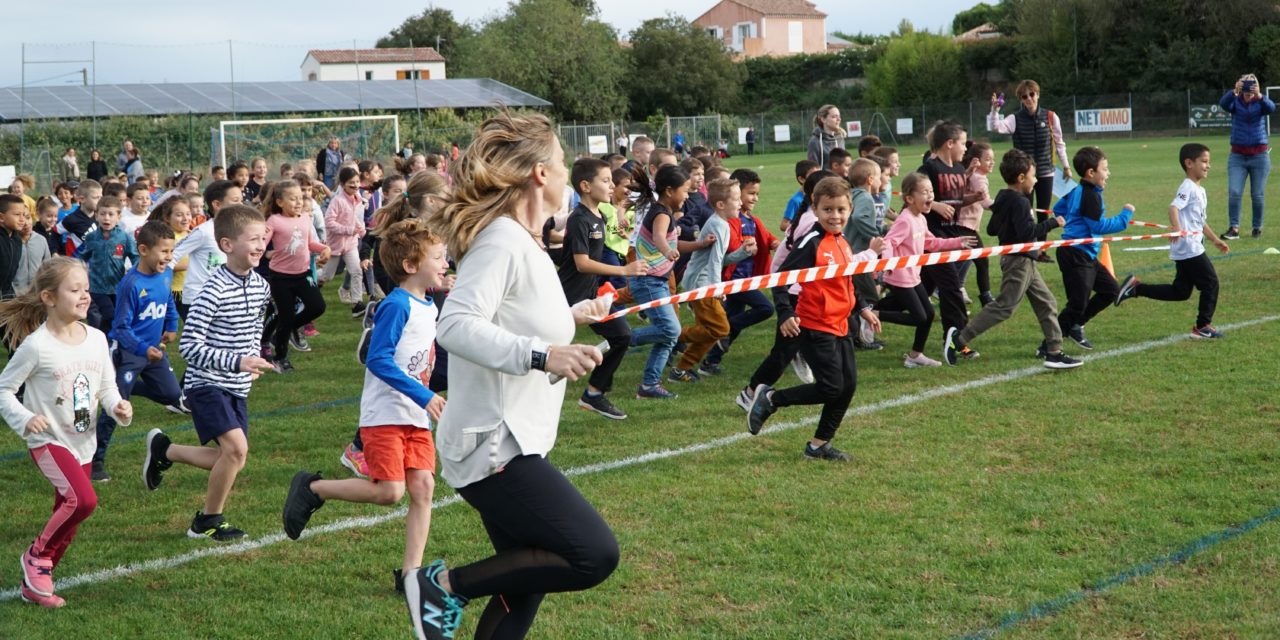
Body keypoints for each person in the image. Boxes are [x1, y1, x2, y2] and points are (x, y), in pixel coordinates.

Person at [406, 110, 619, 640]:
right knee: (593, 554)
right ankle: (440, 584)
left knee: (522, 590)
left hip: (512, 440)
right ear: (540, 174)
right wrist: (545, 355)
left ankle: (443, 587)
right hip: (495, 446)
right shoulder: (501, 238)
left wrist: (570, 318)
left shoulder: (523, 239)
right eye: (564, 163)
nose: (569, 174)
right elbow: (455, 325)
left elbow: (508, 317)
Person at [283, 218, 448, 597]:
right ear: (410, 266)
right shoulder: (396, 304)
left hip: (416, 419)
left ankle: (411, 576)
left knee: (423, 487)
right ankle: (314, 488)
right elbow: (379, 360)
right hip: (385, 416)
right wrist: (425, 395)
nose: (445, 263)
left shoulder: (428, 303)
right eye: (438, 258)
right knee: (390, 492)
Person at [0, 257, 133, 608]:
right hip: (48, 442)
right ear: (49, 297)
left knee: (71, 515)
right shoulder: (36, 346)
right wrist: (25, 418)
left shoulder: (97, 338)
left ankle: (36, 584)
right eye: (75, 290)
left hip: (83, 442)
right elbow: (3, 390)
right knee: (84, 500)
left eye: (86, 289)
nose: (85, 296)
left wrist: (118, 405)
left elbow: (107, 387)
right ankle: (36, 556)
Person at [143, 204, 273, 542]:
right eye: (253, 239)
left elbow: (253, 329)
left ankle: (164, 451)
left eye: (264, 238)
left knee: (232, 456)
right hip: (205, 383)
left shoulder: (261, 286)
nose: (261, 245)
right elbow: (189, 346)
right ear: (227, 245)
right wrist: (237, 361)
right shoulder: (211, 290)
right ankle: (207, 520)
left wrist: (253, 359)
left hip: (237, 384)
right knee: (235, 451)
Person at [746, 177, 883, 462]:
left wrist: (862, 308)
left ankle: (819, 445)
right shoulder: (813, 241)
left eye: (841, 210)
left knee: (848, 386)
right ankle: (771, 399)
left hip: (841, 323)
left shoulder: (842, 241)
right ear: (816, 210)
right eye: (828, 210)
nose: (835, 216)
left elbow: (846, 281)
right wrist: (785, 312)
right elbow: (781, 279)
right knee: (831, 386)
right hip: (814, 325)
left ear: (850, 209)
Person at [942, 149, 1082, 369]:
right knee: (1005, 307)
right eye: (1033, 176)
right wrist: (1053, 222)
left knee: (1047, 303)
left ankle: (1054, 351)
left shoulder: (1003, 196)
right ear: (1021, 178)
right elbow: (1027, 233)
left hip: (1023, 260)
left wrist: (1007, 224)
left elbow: (991, 228)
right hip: (1018, 261)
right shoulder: (1020, 202)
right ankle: (959, 339)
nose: (1036, 180)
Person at [89, 221, 184, 482]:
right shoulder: (131, 284)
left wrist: (172, 325)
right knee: (117, 407)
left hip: (153, 352)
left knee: (172, 394)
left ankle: (128, 387)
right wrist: (143, 349)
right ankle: (96, 460)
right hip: (129, 352)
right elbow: (120, 328)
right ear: (143, 249)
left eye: (171, 250)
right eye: (163, 251)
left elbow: (168, 301)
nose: (168, 256)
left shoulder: (166, 274)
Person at [555, 158, 646, 418]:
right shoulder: (579, 219)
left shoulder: (599, 214)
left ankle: (594, 394)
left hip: (591, 294)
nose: (613, 186)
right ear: (585, 186)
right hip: (569, 298)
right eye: (606, 181)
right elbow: (582, 263)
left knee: (622, 335)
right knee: (544, 352)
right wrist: (624, 271)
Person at [1116, 143, 1230, 338]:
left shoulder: (1199, 190)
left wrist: (1215, 240)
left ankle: (1136, 288)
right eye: (1204, 161)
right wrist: (1177, 230)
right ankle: (1203, 326)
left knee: (1180, 292)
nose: (1208, 166)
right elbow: (1173, 208)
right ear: (1189, 163)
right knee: (1211, 283)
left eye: (1208, 162)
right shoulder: (1187, 187)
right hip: (1189, 247)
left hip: (1192, 246)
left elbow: (1201, 222)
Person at [875, 172, 976, 368]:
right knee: (919, 317)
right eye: (924, 192)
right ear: (909, 198)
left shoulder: (920, 218)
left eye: (931, 191)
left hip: (913, 276)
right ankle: (874, 313)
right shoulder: (905, 220)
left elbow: (931, 242)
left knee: (928, 315)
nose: (930, 196)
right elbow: (888, 243)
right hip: (899, 277)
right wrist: (887, 264)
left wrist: (957, 242)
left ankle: (915, 356)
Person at [1052, 146, 1134, 350]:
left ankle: (1076, 325)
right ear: (1091, 173)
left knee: (1110, 290)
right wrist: (1125, 215)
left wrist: (1071, 217)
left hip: (1085, 253)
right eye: (1105, 169)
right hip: (1075, 254)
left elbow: (1058, 209)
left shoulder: (1077, 190)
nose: (1108, 173)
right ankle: (1050, 343)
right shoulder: (1091, 196)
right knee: (1077, 303)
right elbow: (1098, 226)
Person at [669, 177, 746, 382]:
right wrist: (715, 288)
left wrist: (742, 253)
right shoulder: (719, 225)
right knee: (721, 328)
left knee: (710, 331)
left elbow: (719, 260)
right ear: (721, 205)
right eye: (737, 199)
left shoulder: (722, 223)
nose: (741, 203)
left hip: (703, 282)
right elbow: (715, 262)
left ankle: (680, 370)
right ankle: (670, 336)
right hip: (702, 285)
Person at [702, 169, 778, 374]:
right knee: (765, 308)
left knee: (730, 321)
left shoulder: (750, 218)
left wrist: (775, 243)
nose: (755, 198)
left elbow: (766, 235)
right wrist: (745, 246)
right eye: (751, 193)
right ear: (736, 194)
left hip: (747, 278)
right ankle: (709, 336)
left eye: (757, 194)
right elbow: (729, 247)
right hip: (733, 280)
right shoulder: (731, 220)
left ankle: (709, 363)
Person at [627, 164, 690, 399]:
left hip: (658, 281)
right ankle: (622, 337)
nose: (687, 195)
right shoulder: (661, 213)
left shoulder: (664, 211)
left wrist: (699, 244)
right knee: (671, 329)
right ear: (670, 190)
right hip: (648, 282)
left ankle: (649, 385)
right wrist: (667, 251)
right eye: (684, 191)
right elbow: (659, 238)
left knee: (669, 334)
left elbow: (670, 242)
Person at [918, 122, 981, 354]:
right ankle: (956, 341)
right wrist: (933, 204)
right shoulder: (929, 168)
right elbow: (911, 196)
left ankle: (873, 310)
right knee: (953, 289)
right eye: (963, 143)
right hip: (933, 238)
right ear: (950, 144)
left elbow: (954, 201)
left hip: (952, 236)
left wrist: (972, 198)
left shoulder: (957, 170)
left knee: (921, 290)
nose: (966, 149)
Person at [987, 80, 1071, 255]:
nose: (1029, 99)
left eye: (1032, 94)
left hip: (1046, 172)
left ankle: (1040, 250)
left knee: (1043, 211)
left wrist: (1066, 166)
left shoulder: (1050, 117)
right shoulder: (1014, 118)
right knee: (1026, 211)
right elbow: (995, 127)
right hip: (1023, 176)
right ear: (1021, 99)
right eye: (1024, 96)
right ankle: (1027, 248)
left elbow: (1059, 143)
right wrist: (995, 110)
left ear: (1038, 94)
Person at [262, 180, 331, 373]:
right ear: (280, 202)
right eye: (293, 199)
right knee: (286, 316)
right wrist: (266, 253)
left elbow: (310, 244)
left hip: (303, 274)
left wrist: (325, 248)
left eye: (300, 198)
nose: (298, 202)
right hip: (280, 277)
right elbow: (261, 243)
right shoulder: (274, 220)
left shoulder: (305, 218)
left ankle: (284, 332)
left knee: (317, 306)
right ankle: (280, 357)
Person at [1219, 73, 1275, 239]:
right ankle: (1234, 228)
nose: (1248, 88)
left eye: (1252, 84)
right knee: (1235, 192)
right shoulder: (1235, 102)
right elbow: (1223, 104)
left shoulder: (1260, 102)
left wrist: (1259, 95)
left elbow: (1271, 108)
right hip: (1237, 156)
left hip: (1259, 155)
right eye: (1246, 85)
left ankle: (1257, 228)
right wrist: (1233, 91)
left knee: (1257, 194)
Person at [74, 195, 139, 333]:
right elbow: (81, 256)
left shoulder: (124, 238)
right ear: (96, 215)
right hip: (97, 287)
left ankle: (105, 339)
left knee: (114, 317)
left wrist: (138, 274)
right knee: (110, 315)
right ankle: (109, 339)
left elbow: (135, 257)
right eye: (102, 214)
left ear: (118, 217)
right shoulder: (91, 238)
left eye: (111, 214)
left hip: (118, 286)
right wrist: (75, 269)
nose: (106, 218)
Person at [842, 158, 886, 350]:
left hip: (847, 253)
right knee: (870, 297)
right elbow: (859, 217)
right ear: (870, 179)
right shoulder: (866, 198)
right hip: (858, 256)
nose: (882, 182)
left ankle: (853, 336)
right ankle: (865, 338)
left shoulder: (852, 194)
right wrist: (875, 234)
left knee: (854, 296)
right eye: (879, 177)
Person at [321, 166, 368, 317]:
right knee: (328, 276)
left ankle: (357, 304)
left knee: (356, 271)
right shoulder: (338, 201)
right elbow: (329, 222)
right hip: (335, 245)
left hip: (351, 244)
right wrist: (348, 229)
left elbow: (353, 217)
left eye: (357, 182)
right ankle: (311, 279)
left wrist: (360, 229)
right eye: (351, 183)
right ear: (342, 184)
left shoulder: (358, 199)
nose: (355, 186)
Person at [956, 142, 996, 307]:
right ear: (977, 161)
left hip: (964, 225)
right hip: (965, 226)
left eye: (992, 159)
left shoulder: (975, 176)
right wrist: (1007, 205)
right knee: (981, 260)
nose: (991, 162)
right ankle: (986, 297)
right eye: (987, 159)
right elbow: (986, 203)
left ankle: (953, 288)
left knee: (962, 260)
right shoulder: (979, 178)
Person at [149, 196, 194, 318]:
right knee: (165, 326)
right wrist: (190, 265)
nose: (185, 218)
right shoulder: (166, 237)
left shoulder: (194, 234)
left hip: (189, 290)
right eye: (179, 215)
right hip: (170, 290)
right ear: (167, 218)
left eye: (188, 214)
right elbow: (162, 263)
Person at [780, 160, 820, 233]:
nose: (817, 178)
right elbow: (783, 225)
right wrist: (802, 226)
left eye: (819, 174)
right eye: (813, 175)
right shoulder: (796, 201)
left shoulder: (820, 197)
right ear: (801, 179)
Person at [0, 195, 27, 300]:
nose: (22, 219)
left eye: (23, 215)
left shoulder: (16, 239)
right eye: (17, 214)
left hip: (8, 296)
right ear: (1, 217)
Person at [807, 104, 846, 170]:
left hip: (839, 180)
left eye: (839, 116)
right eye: (834, 117)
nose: (839, 119)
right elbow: (813, 169)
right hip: (823, 180)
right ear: (823, 119)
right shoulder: (814, 141)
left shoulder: (840, 138)